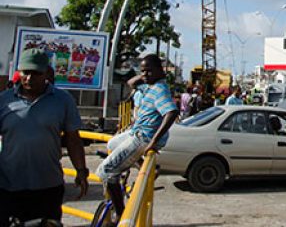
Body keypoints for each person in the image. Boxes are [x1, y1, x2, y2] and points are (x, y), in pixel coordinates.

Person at [0, 49, 89, 226]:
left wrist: (81, 170)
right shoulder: (4, 101)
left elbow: (73, 139)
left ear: (46, 73)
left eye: (36, 73)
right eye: (26, 73)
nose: (29, 78)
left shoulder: (63, 100)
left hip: (48, 186)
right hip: (8, 186)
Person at [96, 54, 178, 218]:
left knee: (105, 171)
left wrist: (153, 142)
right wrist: (145, 74)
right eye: (143, 71)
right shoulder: (151, 85)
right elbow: (131, 83)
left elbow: (171, 112)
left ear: (160, 70)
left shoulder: (159, 89)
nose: (145, 75)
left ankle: (121, 213)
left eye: (149, 71)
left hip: (143, 137)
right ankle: (134, 164)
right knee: (112, 144)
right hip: (136, 131)